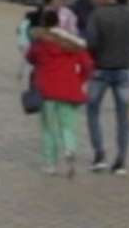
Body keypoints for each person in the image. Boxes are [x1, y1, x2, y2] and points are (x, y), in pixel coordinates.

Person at [82, 0, 129, 175]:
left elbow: (90, 43)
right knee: (123, 117)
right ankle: (121, 160)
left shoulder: (96, 15)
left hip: (100, 71)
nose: (92, 0)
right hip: (124, 71)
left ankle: (100, 155)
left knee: (92, 112)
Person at [27, 25, 96, 178]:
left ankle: (50, 164)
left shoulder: (41, 45)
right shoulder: (75, 47)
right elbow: (88, 66)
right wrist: (79, 80)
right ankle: (69, 150)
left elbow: (30, 58)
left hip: (46, 92)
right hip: (69, 91)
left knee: (48, 129)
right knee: (68, 127)